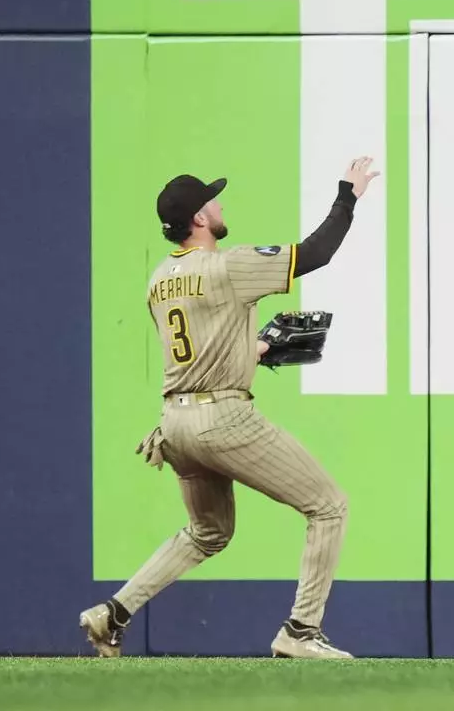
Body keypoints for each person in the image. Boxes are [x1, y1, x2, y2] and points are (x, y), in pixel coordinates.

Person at [78, 157, 380, 660]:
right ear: (199, 218)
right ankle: (301, 631)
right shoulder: (228, 265)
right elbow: (317, 253)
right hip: (222, 418)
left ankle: (114, 613)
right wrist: (348, 195)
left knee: (208, 533)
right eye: (211, 200)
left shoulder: (160, 279)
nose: (219, 204)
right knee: (329, 506)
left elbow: (202, 349)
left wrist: (256, 348)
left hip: (175, 425)